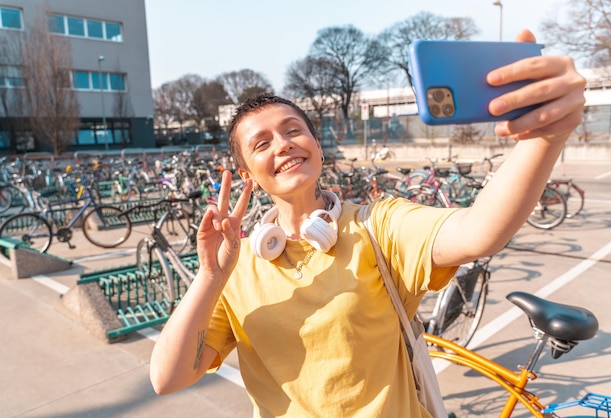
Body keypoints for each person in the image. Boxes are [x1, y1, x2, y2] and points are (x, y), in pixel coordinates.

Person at [150, 30, 586, 417]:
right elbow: (168, 378)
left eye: (293, 131)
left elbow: (480, 231)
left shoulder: (379, 226)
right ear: (246, 174)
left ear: (317, 147)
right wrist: (210, 276)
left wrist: (547, 134)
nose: (282, 145)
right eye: (261, 143)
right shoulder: (235, 265)